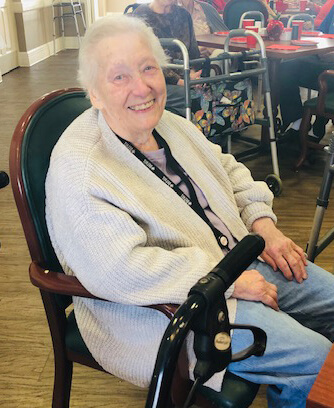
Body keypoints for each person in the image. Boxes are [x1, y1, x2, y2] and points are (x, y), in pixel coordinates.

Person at [45, 14, 334, 408]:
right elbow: (116, 270)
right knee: (317, 360)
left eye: (149, 68)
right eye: (119, 77)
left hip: (236, 258)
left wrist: (263, 224)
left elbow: (228, 169)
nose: (142, 87)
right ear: (93, 93)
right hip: (172, 307)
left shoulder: (169, 124)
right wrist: (228, 283)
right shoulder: (81, 169)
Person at [134, 0, 203, 116]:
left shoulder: (184, 15)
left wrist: (191, 74)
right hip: (154, 81)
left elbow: (193, 52)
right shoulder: (140, 16)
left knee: (212, 92)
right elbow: (145, 60)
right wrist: (180, 81)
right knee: (193, 97)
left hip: (185, 77)